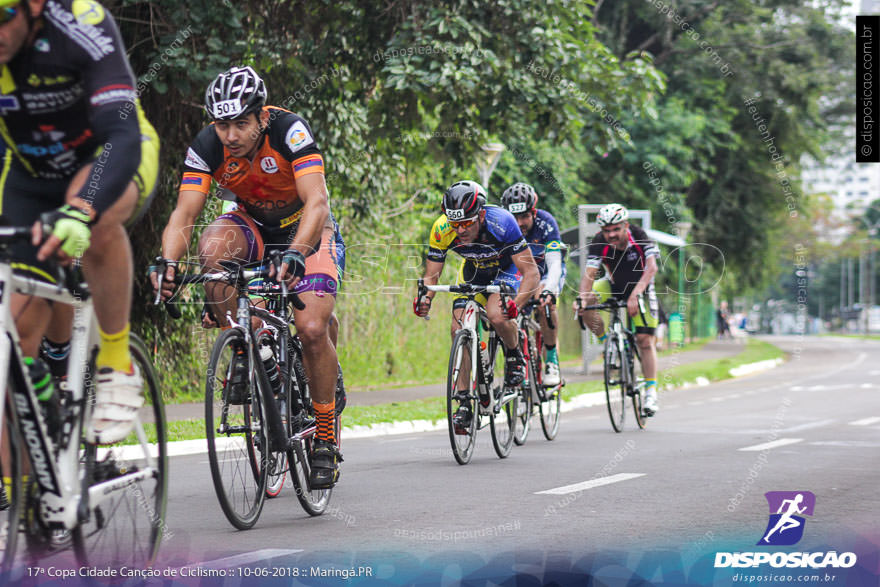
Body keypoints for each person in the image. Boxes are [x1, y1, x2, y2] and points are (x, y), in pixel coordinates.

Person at [150, 66, 343, 488]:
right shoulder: (207, 147)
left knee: (311, 327)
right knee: (213, 249)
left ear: (261, 116)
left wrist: (295, 254)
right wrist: (167, 263)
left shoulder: (290, 130)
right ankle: (250, 351)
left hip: (306, 229)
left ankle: (325, 434)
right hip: (251, 226)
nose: (231, 135)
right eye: (222, 124)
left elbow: (318, 202)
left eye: (240, 123)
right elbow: (185, 213)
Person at [0, 0, 159, 444]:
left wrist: (80, 210)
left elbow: (121, 131)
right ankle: (30, 500)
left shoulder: (81, 22)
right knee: (13, 346)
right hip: (32, 176)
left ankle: (115, 363)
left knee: (94, 217)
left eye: (1, 15)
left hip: (109, 154)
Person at [413, 180, 540, 432]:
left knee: (497, 314)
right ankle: (463, 403)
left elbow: (532, 273)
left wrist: (516, 304)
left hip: (506, 270)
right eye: (455, 223)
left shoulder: (501, 222)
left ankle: (514, 355)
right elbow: (431, 277)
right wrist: (425, 299)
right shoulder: (441, 229)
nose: (460, 230)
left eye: (466, 223)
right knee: (457, 326)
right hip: (474, 271)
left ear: (481, 213)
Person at [574, 203, 661, 415]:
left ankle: (650, 392)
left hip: (641, 288)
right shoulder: (599, 242)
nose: (611, 235)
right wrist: (582, 298)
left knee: (644, 341)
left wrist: (636, 294)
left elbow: (652, 268)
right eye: (606, 231)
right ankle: (607, 343)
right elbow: (590, 274)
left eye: (616, 229)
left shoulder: (639, 235)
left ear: (626, 226)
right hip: (614, 285)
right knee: (587, 304)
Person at [500, 182, 565, 387]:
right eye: (514, 218)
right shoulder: (501, 225)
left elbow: (555, 262)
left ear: (534, 212)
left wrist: (548, 290)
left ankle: (551, 361)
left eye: (524, 217)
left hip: (545, 273)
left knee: (545, 303)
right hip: (518, 274)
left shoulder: (546, 222)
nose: (519, 223)